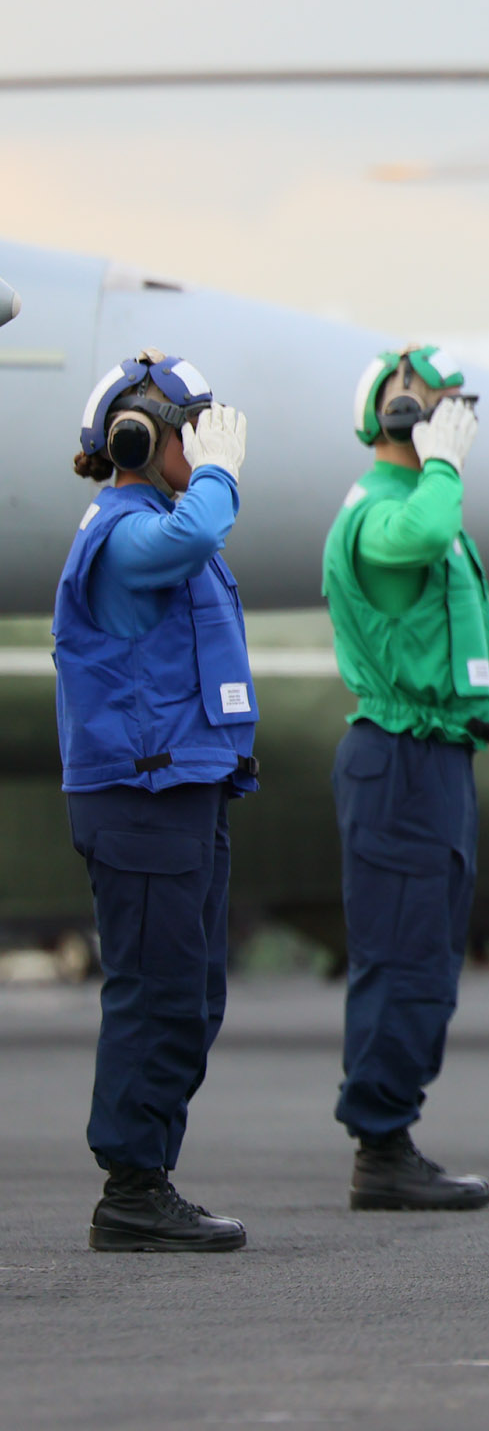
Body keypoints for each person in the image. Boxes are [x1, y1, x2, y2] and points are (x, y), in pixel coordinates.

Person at [54, 352, 256, 1250]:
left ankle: (148, 1177)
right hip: (140, 797)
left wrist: (204, 474)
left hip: (183, 787)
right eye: (192, 426)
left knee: (191, 993)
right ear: (139, 438)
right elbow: (189, 541)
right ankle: (131, 1190)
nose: (207, 440)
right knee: (155, 992)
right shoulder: (122, 528)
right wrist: (218, 474)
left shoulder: (167, 520)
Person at [322, 345, 489, 1212]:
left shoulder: (420, 496)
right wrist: (438, 463)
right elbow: (422, 538)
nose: (455, 419)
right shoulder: (386, 508)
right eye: (439, 405)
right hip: (397, 756)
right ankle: (381, 1147)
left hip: (434, 755)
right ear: (397, 414)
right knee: (402, 954)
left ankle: (391, 1134)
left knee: (427, 951)